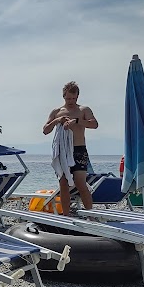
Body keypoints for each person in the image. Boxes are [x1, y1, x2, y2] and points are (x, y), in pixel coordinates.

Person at [42, 81, 98, 216]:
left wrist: (77, 121)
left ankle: (90, 215)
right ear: (63, 96)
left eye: (74, 98)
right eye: (68, 98)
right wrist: (57, 121)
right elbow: (45, 130)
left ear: (77, 96)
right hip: (62, 152)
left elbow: (94, 124)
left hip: (79, 150)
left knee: (80, 183)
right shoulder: (57, 112)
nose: (71, 101)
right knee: (63, 185)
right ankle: (66, 216)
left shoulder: (84, 110)